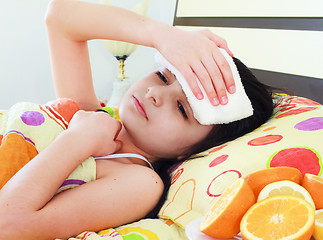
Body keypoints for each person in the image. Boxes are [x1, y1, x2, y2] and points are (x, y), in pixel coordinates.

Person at [0, 0, 277, 239]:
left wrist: (78, 140)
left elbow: (8, 226)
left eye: (182, 108)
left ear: (195, 149)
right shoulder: (89, 114)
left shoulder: (140, 183)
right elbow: (60, 18)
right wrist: (162, 35)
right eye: (163, 76)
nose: (155, 93)